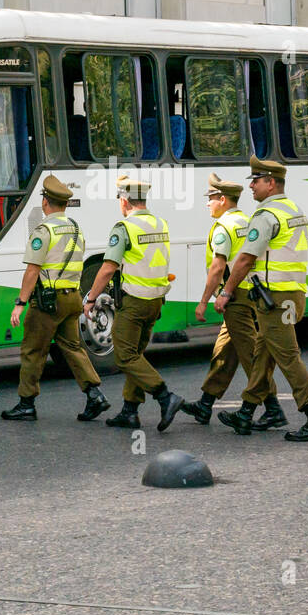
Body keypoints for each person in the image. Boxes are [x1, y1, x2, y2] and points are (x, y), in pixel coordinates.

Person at [215, 156, 308, 442]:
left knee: (288, 357)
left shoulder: (267, 216)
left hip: (274, 298)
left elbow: (244, 260)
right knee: (263, 355)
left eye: (256, 180)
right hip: (293, 294)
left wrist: (227, 292)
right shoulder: (294, 209)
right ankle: (246, 412)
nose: (251, 186)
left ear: (271, 183)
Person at [1, 175, 106, 421]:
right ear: (65, 205)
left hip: (49, 301)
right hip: (73, 298)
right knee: (72, 347)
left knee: (32, 350)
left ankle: (26, 404)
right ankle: (95, 395)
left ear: (45, 203)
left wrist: (20, 303)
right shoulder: (76, 230)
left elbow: (32, 270)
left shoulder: (44, 230)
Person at [83, 175, 183, 430]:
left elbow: (107, 268)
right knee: (136, 354)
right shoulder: (160, 223)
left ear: (124, 200)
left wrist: (91, 298)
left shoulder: (124, 227)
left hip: (135, 301)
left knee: (125, 356)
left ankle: (165, 396)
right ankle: (129, 411)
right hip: (156, 302)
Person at [181, 173, 276, 426]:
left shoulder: (224, 227)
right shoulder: (248, 220)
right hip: (249, 294)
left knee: (251, 355)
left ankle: (273, 407)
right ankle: (205, 404)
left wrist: (203, 301)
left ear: (222, 199)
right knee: (224, 351)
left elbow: (217, 268)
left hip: (234, 297)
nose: (207, 204)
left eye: (211, 199)